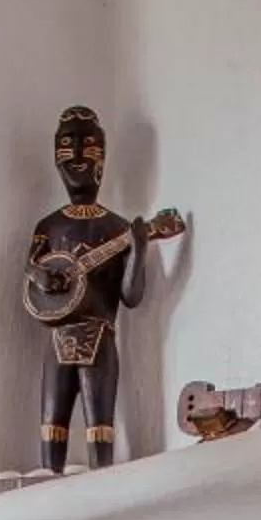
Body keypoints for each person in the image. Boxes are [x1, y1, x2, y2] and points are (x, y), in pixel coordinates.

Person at [23, 106, 166, 471]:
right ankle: (46, 491)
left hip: (100, 338)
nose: (77, 157)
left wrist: (138, 250)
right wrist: (41, 277)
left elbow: (131, 296)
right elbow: (31, 270)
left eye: (87, 146)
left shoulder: (116, 227)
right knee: (51, 427)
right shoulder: (49, 226)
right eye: (67, 146)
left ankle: (100, 492)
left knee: (99, 428)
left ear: (101, 157)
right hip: (57, 340)